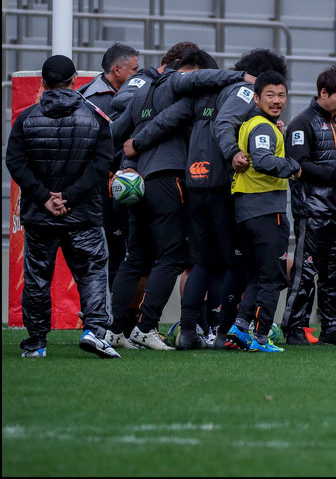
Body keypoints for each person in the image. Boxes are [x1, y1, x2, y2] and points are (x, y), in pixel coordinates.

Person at [109, 49, 254, 350]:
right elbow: (168, 119)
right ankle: (146, 327)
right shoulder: (180, 87)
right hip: (168, 178)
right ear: (188, 72)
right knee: (171, 257)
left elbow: (119, 133)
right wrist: (241, 76)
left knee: (135, 258)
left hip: (139, 181)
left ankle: (114, 330)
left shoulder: (143, 91)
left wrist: (128, 159)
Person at [6, 54, 119, 359]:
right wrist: (68, 197)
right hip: (82, 215)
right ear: (74, 83)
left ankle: (37, 344)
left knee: (37, 278)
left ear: (43, 83)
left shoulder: (25, 118)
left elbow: (14, 161)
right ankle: (95, 332)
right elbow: (100, 165)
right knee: (93, 272)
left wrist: (45, 197)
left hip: (40, 215)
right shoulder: (95, 118)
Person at [283, 66, 336, 346]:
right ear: (323, 93)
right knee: (304, 273)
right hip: (312, 211)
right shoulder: (301, 123)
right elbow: (299, 166)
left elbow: (334, 168)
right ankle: (294, 328)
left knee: (335, 275)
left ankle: (332, 328)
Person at [225, 71, 302, 352]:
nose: (277, 100)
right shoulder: (263, 128)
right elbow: (263, 161)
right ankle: (260, 338)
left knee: (260, 274)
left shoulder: (252, 125)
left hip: (248, 209)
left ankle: (241, 327)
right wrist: (293, 166)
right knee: (273, 277)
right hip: (266, 210)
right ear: (256, 98)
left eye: (281, 95)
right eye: (270, 94)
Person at [79, 42, 140, 288]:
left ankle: (110, 313)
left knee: (120, 251)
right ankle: (103, 312)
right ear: (117, 70)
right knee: (109, 252)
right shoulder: (95, 100)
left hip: (117, 183)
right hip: (102, 187)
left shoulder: (120, 94)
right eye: (134, 70)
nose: (138, 75)